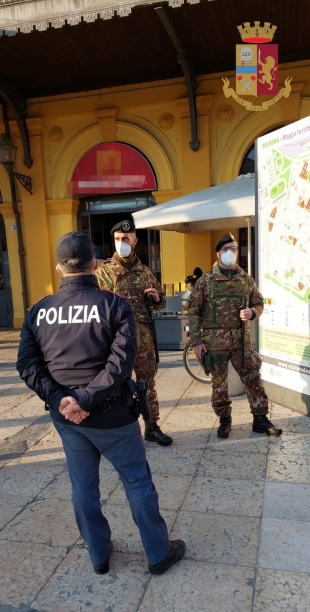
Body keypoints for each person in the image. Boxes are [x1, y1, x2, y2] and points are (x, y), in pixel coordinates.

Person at [16, 231, 185, 575]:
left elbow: (27, 365)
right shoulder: (115, 305)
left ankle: (99, 555)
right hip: (113, 417)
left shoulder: (40, 311)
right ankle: (157, 553)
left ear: (59, 268)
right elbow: (121, 363)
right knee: (137, 483)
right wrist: (84, 399)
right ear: (96, 264)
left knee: (83, 488)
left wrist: (63, 400)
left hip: (68, 419)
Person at [188, 232, 282, 439]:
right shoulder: (206, 281)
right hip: (215, 344)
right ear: (218, 253)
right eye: (225, 249)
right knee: (219, 384)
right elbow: (193, 311)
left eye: (234, 249)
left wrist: (252, 312)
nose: (230, 253)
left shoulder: (246, 279)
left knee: (253, 378)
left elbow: (258, 302)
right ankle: (224, 419)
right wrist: (197, 342)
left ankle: (260, 419)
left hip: (241, 343)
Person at [96, 220, 173, 446]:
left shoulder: (145, 272)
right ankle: (120, 430)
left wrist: (157, 299)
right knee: (116, 386)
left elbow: (161, 302)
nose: (122, 243)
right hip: (115, 344)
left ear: (135, 241)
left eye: (126, 239)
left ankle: (152, 427)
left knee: (147, 385)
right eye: (118, 239)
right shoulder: (103, 273)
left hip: (144, 343)